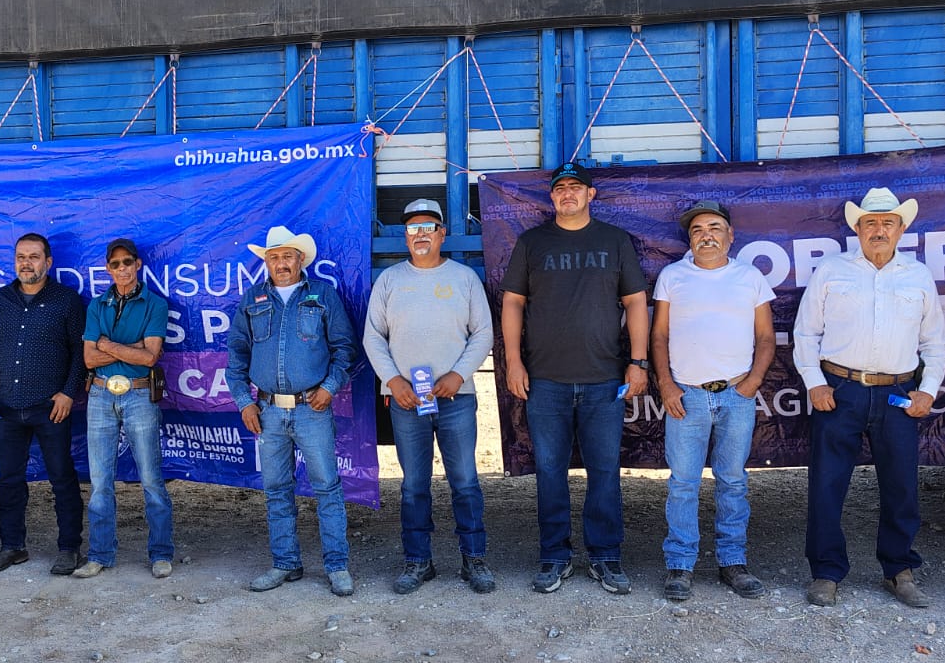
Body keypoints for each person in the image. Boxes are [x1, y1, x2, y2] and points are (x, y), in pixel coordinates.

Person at [793, 187, 945, 608]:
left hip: (897, 393)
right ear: (858, 229)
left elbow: (935, 341)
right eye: (871, 223)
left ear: (901, 229)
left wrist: (927, 390)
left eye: (888, 223)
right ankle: (826, 572)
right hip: (839, 390)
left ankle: (899, 570)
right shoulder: (832, 270)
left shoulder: (917, 275)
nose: (879, 230)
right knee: (827, 485)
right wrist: (814, 382)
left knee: (901, 486)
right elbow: (806, 332)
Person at [500, 161, 649, 595]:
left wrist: (638, 362)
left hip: (604, 380)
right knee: (550, 472)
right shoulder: (532, 242)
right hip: (545, 381)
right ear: (552, 197)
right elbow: (512, 303)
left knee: (604, 472)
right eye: (560, 188)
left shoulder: (614, 240)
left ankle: (605, 556)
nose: (568, 193)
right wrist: (513, 361)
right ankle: (554, 556)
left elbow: (636, 302)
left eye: (576, 187)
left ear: (590, 194)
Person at [362, 199, 496, 595]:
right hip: (407, 401)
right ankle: (418, 561)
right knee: (414, 485)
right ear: (405, 237)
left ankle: (474, 559)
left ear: (441, 234)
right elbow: (373, 336)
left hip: (456, 399)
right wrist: (393, 380)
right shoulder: (389, 281)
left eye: (428, 227)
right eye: (412, 229)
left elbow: (483, 333)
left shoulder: (464, 278)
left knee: (465, 481)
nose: (420, 235)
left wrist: (458, 375)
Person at [651, 200, 776, 601]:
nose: (706, 236)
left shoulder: (750, 276)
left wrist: (753, 382)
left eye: (715, 228)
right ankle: (680, 564)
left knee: (733, 481)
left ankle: (732, 562)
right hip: (687, 395)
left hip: (736, 395)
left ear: (730, 236)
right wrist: (666, 385)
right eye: (697, 230)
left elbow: (766, 336)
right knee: (682, 484)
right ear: (690, 239)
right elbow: (659, 336)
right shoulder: (673, 276)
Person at [226, 224, 358, 597]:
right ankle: (285, 563)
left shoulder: (323, 295)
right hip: (267, 410)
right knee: (276, 489)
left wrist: (329, 388)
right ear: (266, 262)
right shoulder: (252, 299)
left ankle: (337, 566)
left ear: (300, 260)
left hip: (311, 409)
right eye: (274, 257)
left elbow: (345, 348)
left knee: (327, 487)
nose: (281, 263)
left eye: (287, 256)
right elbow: (236, 355)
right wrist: (244, 402)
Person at [0, 233, 87, 576]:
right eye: (21, 256)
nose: (26, 263)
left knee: (62, 478)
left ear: (48, 262)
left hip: (51, 407)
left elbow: (80, 352)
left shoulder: (66, 300)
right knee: (8, 480)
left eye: (34, 257)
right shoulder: (1, 299)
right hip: (7, 407)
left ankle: (69, 549)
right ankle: (12, 547)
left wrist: (68, 393)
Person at [75, 237, 173, 580]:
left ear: (137, 264)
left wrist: (106, 344)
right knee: (100, 481)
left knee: (151, 479)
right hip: (100, 394)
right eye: (115, 264)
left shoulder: (155, 304)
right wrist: (131, 349)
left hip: (140, 394)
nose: (122, 269)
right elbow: (89, 359)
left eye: (127, 262)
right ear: (108, 268)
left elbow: (150, 357)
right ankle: (100, 554)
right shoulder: (96, 305)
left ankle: (161, 553)